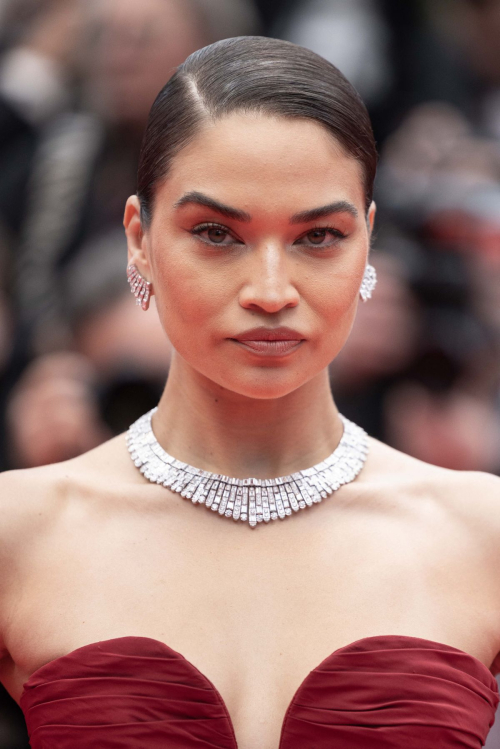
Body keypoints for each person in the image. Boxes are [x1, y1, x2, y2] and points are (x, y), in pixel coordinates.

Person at [0, 35, 499, 749]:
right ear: (138, 239)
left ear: (369, 241)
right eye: (216, 233)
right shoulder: (18, 532)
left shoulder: (482, 533)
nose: (270, 292)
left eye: (319, 236)